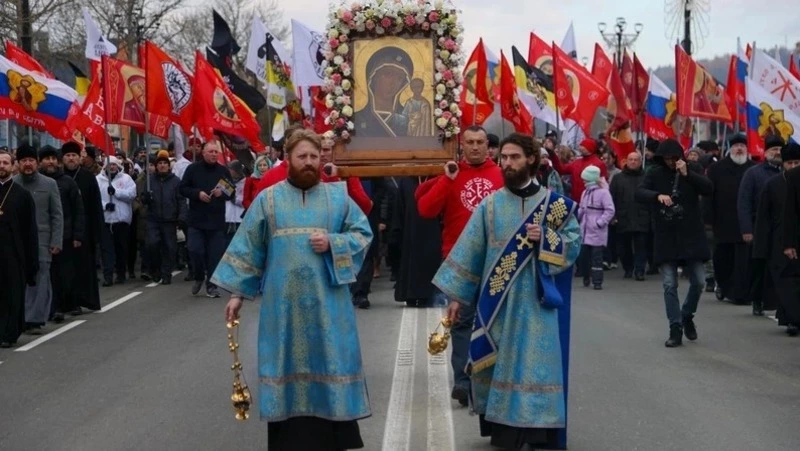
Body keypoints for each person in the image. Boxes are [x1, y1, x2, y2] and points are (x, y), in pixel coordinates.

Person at [212, 129, 373, 450]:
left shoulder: (338, 197)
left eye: (314, 156)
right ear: (288, 160)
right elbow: (249, 248)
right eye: (303, 157)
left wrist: (334, 242)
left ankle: (334, 439)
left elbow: (362, 234)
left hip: (329, 307)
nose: (310, 162)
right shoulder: (268, 200)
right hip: (282, 310)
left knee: (330, 365)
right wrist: (236, 294)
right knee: (286, 370)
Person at [433, 133, 580, 450]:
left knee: (536, 366)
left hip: (538, 305)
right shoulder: (489, 206)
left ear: (531, 159)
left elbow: (574, 245)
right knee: (499, 363)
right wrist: (457, 297)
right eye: (504, 158)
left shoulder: (555, 206)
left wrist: (547, 240)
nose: (508, 163)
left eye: (514, 157)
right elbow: (469, 253)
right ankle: (504, 430)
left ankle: (538, 432)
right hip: (496, 305)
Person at [415, 125, 503, 406]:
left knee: (494, 321)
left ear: (488, 146)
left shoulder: (502, 176)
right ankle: (463, 383)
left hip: (494, 260)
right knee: (461, 322)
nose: (475, 147)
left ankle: (491, 381)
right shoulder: (451, 174)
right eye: (470, 142)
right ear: (460, 145)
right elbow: (426, 209)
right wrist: (447, 179)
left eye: (480, 142)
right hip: (458, 260)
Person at [636, 139, 713, 347]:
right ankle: (675, 326)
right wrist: (657, 196)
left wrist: (688, 173)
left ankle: (687, 314)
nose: (671, 162)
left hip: (691, 235)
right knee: (670, 284)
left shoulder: (692, 168)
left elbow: (708, 188)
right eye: (667, 159)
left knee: (698, 280)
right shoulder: (653, 172)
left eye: (674, 158)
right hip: (666, 235)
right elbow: (640, 192)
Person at [13, 144, 63, 334]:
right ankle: (22, 315)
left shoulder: (49, 184)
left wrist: (56, 241)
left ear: (37, 163)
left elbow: (56, 215)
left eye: (31, 160)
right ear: (18, 164)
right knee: (20, 279)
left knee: (41, 278)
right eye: (24, 161)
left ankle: (34, 319)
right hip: (18, 240)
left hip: (43, 240)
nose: (28, 164)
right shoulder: (12, 184)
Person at [753, 143, 800, 335]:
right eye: (790, 163)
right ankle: (791, 319)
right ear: (783, 164)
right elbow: (763, 217)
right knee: (786, 283)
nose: (794, 166)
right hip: (779, 242)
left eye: (797, 162)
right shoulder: (772, 184)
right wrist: (761, 247)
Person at [706, 133, 756, 304]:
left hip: (746, 223)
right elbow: (708, 196)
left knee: (743, 261)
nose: (740, 149)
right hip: (723, 222)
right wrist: (708, 218)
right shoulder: (716, 169)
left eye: (742, 146)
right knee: (723, 258)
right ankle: (724, 285)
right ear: (730, 149)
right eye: (736, 146)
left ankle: (739, 293)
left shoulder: (753, 168)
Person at [737, 135, 784, 315]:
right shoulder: (753, 173)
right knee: (759, 265)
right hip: (760, 226)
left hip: (782, 227)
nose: (777, 153)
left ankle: (779, 302)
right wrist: (747, 229)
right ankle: (757, 299)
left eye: (780, 150)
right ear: (765, 153)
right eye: (773, 150)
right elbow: (744, 203)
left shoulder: (788, 172)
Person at [179, 141, 232, 298]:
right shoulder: (193, 169)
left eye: (216, 152)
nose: (214, 154)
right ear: (203, 153)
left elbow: (231, 193)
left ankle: (211, 285)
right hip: (196, 220)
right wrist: (198, 194)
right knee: (195, 250)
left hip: (216, 221)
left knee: (214, 255)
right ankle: (198, 276)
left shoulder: (223, 171)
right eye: (211, 151)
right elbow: (182, 188)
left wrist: (221, 194)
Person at [39, 146, 85, 324]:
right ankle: (51, 307)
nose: (50, 162)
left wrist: (77, 235)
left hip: (65, 235)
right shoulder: (36, 182)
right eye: (46, 158)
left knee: (64, 273)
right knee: (46, 274)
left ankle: (64, 305)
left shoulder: (68, 182)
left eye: (53, 158)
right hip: (42, 236)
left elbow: (78, 211)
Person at [0, 150, 38, 348]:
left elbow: (30, 229)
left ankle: (10, 333)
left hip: (14, 253)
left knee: (13, 293)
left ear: (13, 166)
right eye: (0, 163)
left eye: (6, 163)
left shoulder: (21, 195)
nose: (2, 166)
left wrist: (32, 260)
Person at [61, 142, 103, 313]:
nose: (71, 159)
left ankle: (85, 299)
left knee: (84, 267)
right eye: (68, 156)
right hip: (64, 229)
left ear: (80, 158)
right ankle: (69, 302)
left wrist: (97, 232)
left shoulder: (87, 177)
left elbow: (95, 206)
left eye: (74, 156)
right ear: (62, 158)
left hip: (85, 229)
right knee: (67, 268)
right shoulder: (58, 177)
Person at [390, 176, 442, 307]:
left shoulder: (438, 177)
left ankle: (427, 294)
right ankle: (410, 295)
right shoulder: (406, 179)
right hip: (410, 228)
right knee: (411, 259)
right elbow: (399, 207)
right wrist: (396, 231)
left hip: (433, 227)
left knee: (431, 258)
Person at [142, 151, 186, 285]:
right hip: (153, 218)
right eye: (159, 163)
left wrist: (181, 216)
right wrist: (146, 198)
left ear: (168, 166)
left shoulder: (175, 181)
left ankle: (166, 273)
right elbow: (143, 198)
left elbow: (181, 200)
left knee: (169, 247)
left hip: (169, 219)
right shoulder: (150, 180)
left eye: (164, 163)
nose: (162, 166)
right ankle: (155, 269)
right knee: (152, 244)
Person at [96, 156, 137, 286]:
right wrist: (105, 206)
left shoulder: (126, 179)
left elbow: (131, 194)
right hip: (106, 220)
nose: (111, 167)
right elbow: (95, 197)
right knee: (107, 250)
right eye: (109, 165)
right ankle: (108, 276)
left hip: (121, 220)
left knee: (121, 249)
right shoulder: (98, 180)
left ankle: (120, 274)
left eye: (114, 165)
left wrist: (116, 192)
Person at [610, 151, 650, 280]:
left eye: (636, 160)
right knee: (623, 246)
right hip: (623, 216)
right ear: (626, 161)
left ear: (640, 161)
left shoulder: (647, 178)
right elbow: (612, 198)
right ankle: (628, 268)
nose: (633, 162)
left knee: (641, 246)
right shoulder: (618, 178)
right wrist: (613, 216)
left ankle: (640, 270)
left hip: (641, 216)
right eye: (630, 159)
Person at [577, 165, 615, 290]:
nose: (583, 181)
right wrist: (578, 217)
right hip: (585, 228)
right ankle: (586, 276)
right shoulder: (585, 192)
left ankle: (597, 280)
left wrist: (600, 222)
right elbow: (582, 208)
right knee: (584, 257)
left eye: (585, 179)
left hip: (597, 229)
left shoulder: (604, 192)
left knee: (597, 258)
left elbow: (610, 210)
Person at [547, 138, 608, 203]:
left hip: (591, 204)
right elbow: (561, 169)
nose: (580, 147)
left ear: (589, 148)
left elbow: (603, 185)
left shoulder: (599, 164)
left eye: (583, 145)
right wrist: (552, 155)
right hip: (575, 201)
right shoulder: (577, 162)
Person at [225, 160, 246, 244]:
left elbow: (245, 199)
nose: (229, 171)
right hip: (227, 217)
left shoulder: (245, 182)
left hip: (239, 218)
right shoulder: (225, 181)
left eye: (231, 169)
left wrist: (235, 199)